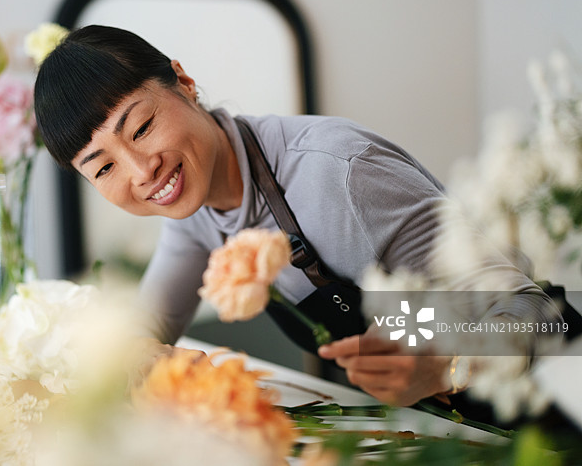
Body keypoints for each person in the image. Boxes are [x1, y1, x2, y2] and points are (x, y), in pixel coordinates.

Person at [33, 24, 563, 411]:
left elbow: (540, 318)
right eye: (102, 168)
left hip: (544, 410)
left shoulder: (336, 174)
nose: (142, 172)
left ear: (183, 81)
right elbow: (146, 323)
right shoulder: (194, 209)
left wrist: (445, 359)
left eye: (143, 128)